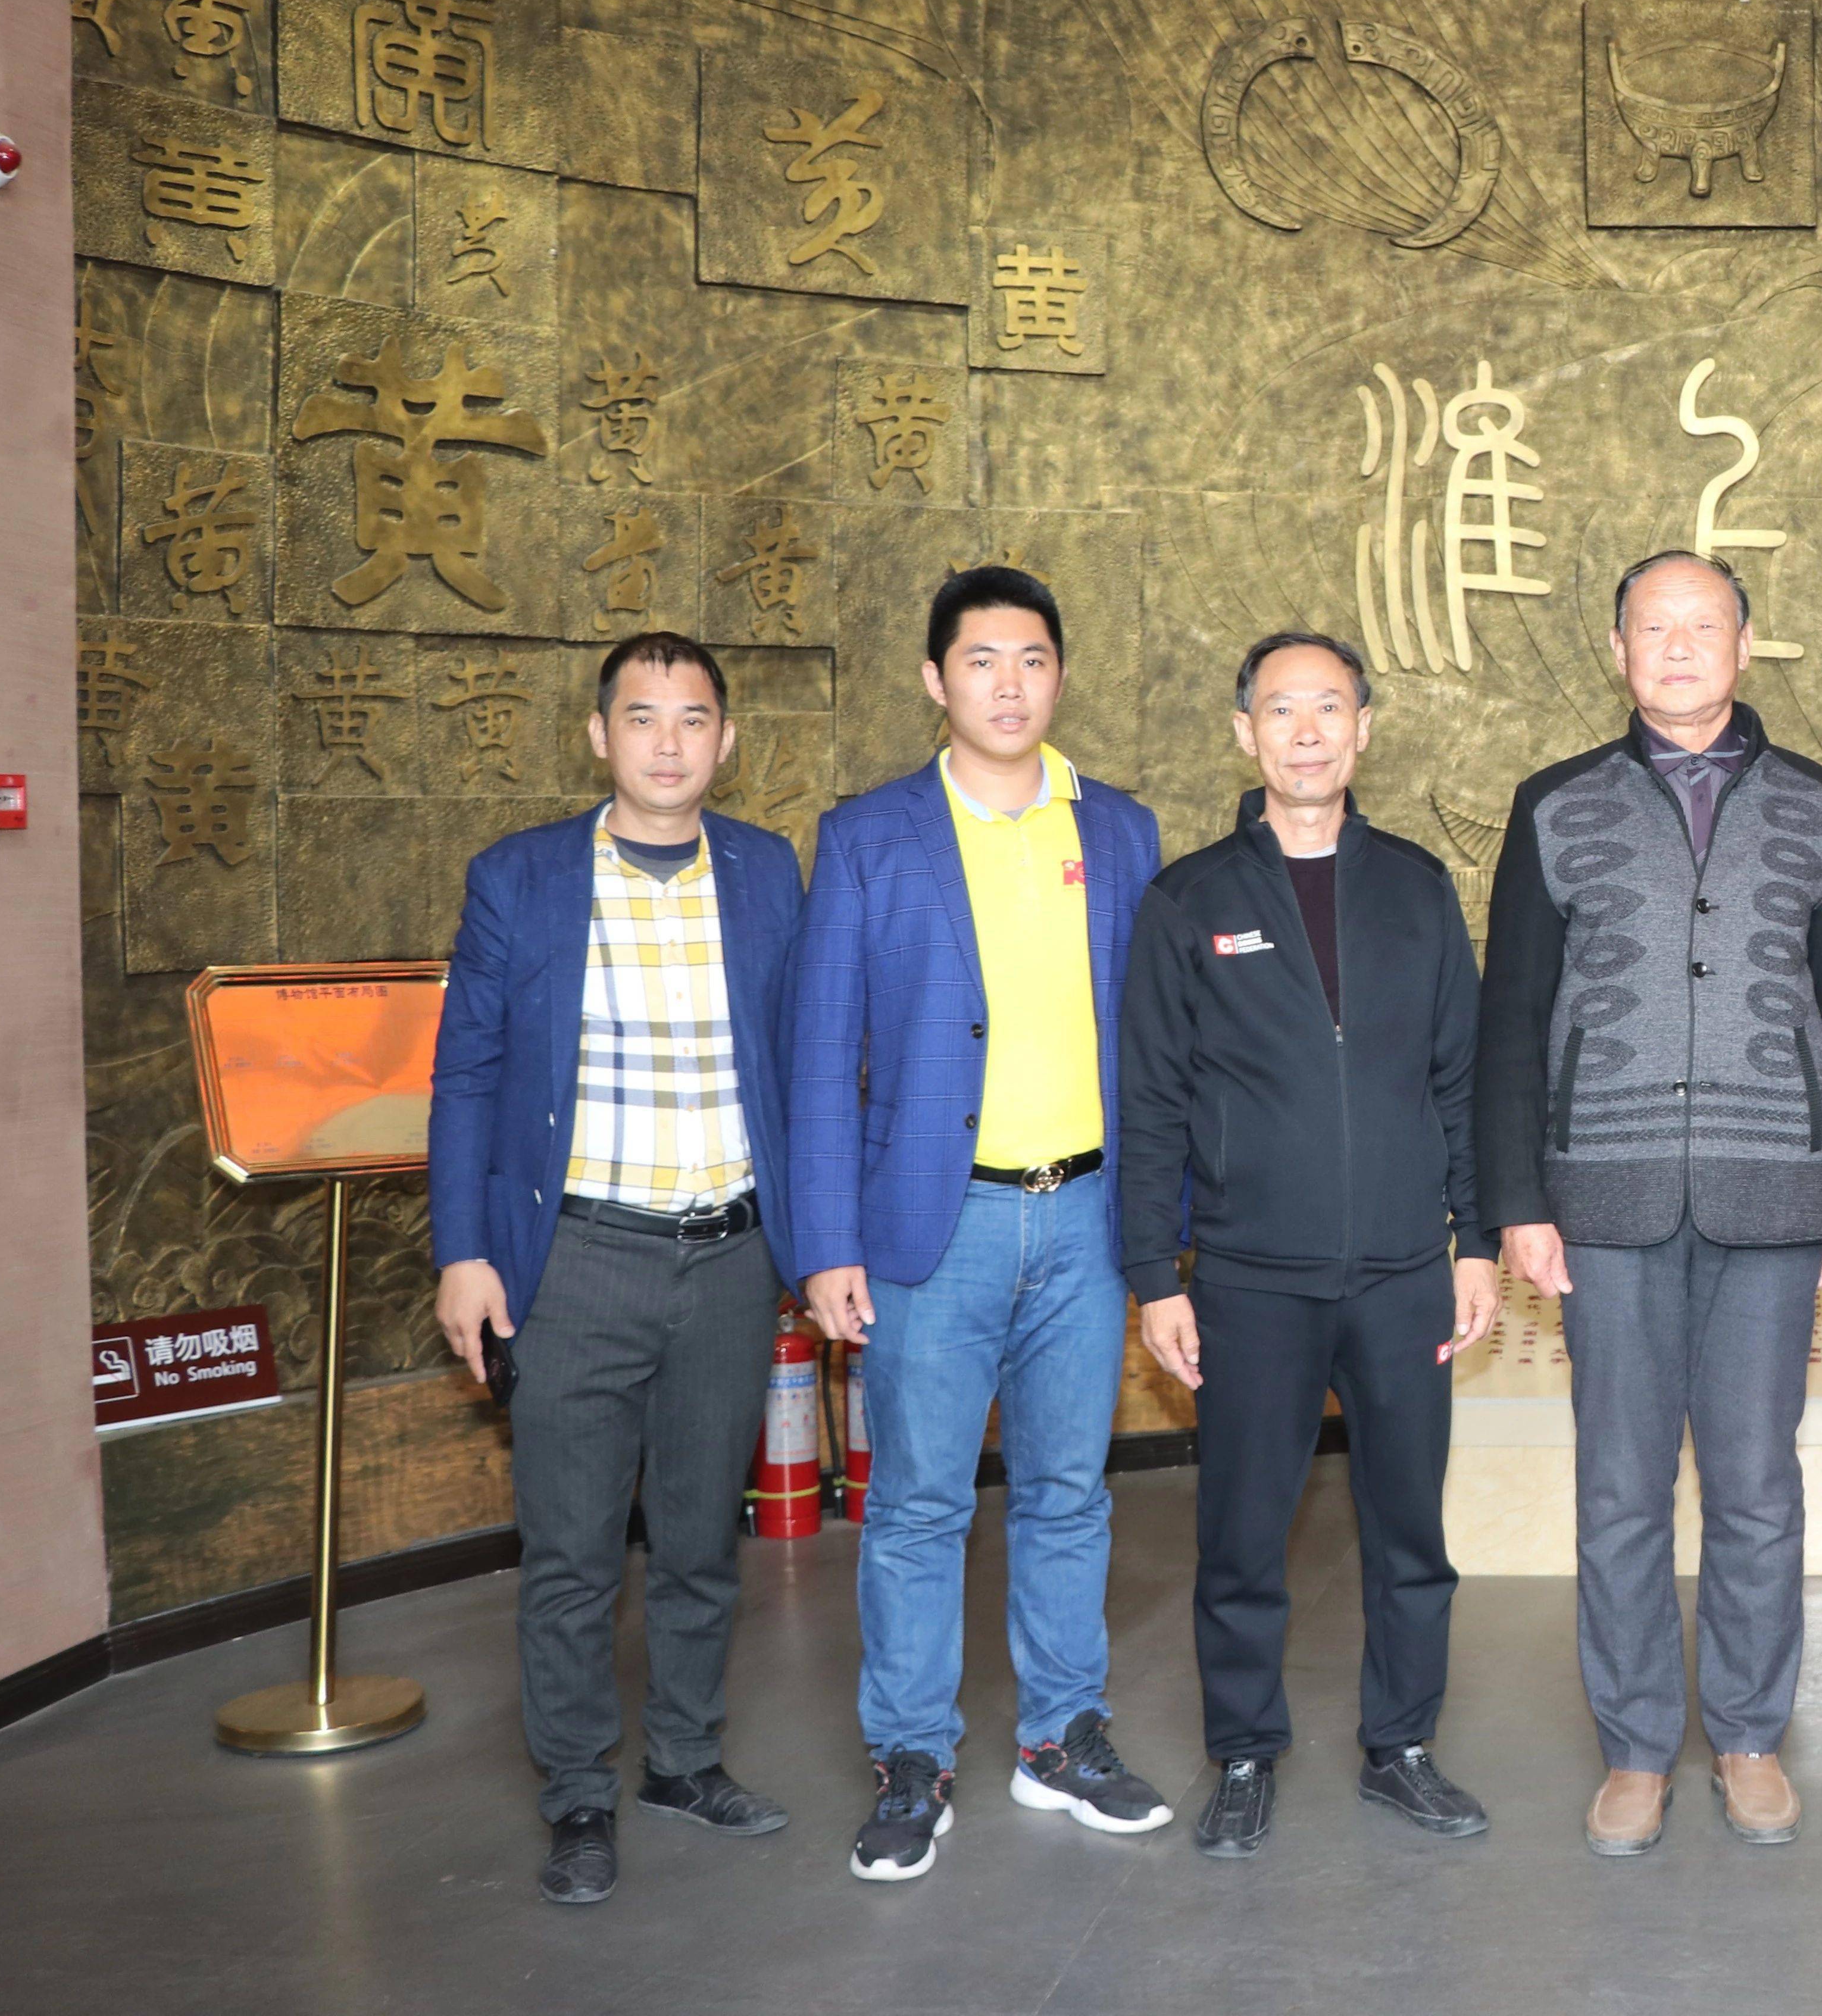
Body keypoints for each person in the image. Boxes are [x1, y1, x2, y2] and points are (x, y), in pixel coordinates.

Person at [1479, 551, 1822, 1856]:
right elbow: (1512, 1017)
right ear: (1618, 650)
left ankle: (1752, 1736)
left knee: (1759, 1481)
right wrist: (1518, 1199)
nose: (1678, 646)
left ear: (1746, 645)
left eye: (1702, 625)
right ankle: (1639, 1745)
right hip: (1606, 1190)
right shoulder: (1555, 805)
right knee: (1620, 1485)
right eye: (1654, 627)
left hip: (1776, 1189)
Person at [787, 565, 1171, 1881]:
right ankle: (913, 1754)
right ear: (935, 680)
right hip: (928, 1229)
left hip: (1084, 1217)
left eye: (1033, 659)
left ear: (1060, 673)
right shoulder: (869, 834)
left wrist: (1159, 1228)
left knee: (1070, 1493)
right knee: (917, 1505)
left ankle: (1061, 1736)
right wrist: (827, 1243)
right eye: (982, 661)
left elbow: (1158, 1048)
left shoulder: (1119, 829)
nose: (1010, 685)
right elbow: (822, 1048)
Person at [427, 632, 806, 1905]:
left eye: (692, 718)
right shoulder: (521, 877)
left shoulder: (766, 870)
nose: (666, 741)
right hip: (576, 1257)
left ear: (725, 740)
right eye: (640, 717)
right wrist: (465, 1251)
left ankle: (686, 1758)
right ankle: (580, 1788)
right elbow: (468, 1073)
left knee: (703, 1535)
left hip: (730, 1256)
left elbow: (800, 1061)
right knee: (575, 1549)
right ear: (599, 735)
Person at [1119, 631, 1502, 1858]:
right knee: (1241, 1534)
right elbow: (1154, 1101)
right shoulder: (1192, 897)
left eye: (1327, 707)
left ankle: (1402, 1745)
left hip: (1401, 1274)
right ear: (1244, 732)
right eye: (1280, 709)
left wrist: (1477, 1240)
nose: (1305, 730)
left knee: (1410, 1533)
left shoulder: (1417, 885)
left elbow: (1462, 1077)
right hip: (1248, 1278)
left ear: (1363, 726)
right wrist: (1151, 1277)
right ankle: (1243, 1749)